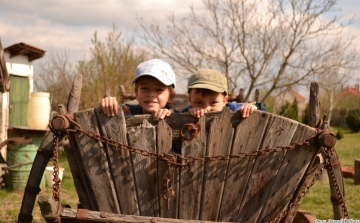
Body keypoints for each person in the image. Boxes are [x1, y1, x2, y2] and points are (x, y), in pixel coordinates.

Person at [100, 58, 179, 120]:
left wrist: (171, 113)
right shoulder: (127, 111)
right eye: (145, 88)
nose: (151, 94)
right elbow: (115, 111)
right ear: (137, 94)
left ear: (171, 97)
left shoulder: (177, 115)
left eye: (159, 89)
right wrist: (108, 105)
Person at [183, 69, 266, 118]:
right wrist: (171, 112)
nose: (206, 109)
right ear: (190, 100)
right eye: (199, 103)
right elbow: (175, 115)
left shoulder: (232, 109)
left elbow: (261, 109)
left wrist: (251, 107)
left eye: (213, 102)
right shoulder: (188, 112)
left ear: (224, 100)